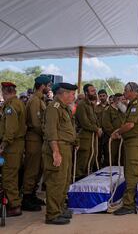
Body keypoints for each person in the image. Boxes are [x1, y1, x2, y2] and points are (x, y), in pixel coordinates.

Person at [42, 82, 77, 225]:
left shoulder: (64, 108)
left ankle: (60, 208)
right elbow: (51, 132)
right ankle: (52, 214)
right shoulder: (54, 107)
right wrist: (56, 152)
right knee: (56, 181)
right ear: (64, 94)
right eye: (72, 94)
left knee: (64, 181)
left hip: (66, 147)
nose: (73, 97)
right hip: (57, 147)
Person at [111, 82, 138, 215]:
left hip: (135, 142)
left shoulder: (136, 105)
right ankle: (129, 201)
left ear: (133, 91)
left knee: (132, 173)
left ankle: (129, 204)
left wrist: (118, 132)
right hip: (131, 142)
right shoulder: (132, 105)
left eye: (126, 91)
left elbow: (130, 125)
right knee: (129, 171)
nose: (124, 93)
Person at [22, 75, 51, 211]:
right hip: (34, 139)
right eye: (48, 85)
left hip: (39, 139)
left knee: (38, 168)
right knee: (32, 169)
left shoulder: (40, 100)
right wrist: (47, 135)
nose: (49, 88)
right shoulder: (35, 100)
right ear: (42, 86)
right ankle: (26, 197)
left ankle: (32, 194)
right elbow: (35, 123)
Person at [0, 82, 27, 217]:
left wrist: (4, 144)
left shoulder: (10, 106)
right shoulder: (18, 103)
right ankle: (14, 202)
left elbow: (10, 128)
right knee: (13, 174)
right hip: (17, 144)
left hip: (12, 146)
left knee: (8, 176)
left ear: (4, 91)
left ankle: (14, 205)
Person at [75, 84, 102, 180]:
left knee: (91, 159)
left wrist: (98, 128)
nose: (95, 92)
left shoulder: (91, 105)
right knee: (82, 161)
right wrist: (96, 129)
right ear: (86, 93)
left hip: (92, 138)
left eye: (95, 90)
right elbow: (84, 123)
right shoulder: (82, 105)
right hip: (85, 138)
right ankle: (77, 182)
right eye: (92, 91)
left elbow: (94, 120)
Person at [101, 93, 126, 166]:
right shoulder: (108, 110)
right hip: (112, 139)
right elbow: (106, 125)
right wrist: (115, 134)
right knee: (110, 160)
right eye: (122, 99)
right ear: (118, 100)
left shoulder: (122, 110)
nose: (124, 101)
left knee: (121, 159)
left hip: (121, 138)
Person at [95, 89, 109, 167]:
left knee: (108, 152)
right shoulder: (96, 108)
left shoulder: (111, 107)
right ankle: (97, 167)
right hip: (99, 132)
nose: (102, 97)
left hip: (108, 133)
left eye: (104, 96)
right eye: (100, 96)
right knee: (98, 152)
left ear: (107, 96)